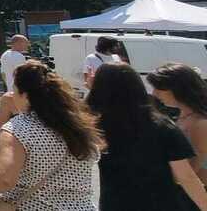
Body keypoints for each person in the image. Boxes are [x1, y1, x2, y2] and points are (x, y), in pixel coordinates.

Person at [0, 61, 99, 209]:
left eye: (15, 91)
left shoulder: (18, 128)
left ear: (25, 95)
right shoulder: (78, 125)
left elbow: (4, 177)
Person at [87, 64, 207, 210]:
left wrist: (94, 89)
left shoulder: (96, 128)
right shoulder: (162, 127)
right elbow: (186, 176)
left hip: (114, 204)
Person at [148, 63, 207, 184]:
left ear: (177, 88)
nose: (154, 93)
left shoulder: (200, 124)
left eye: (159, 88)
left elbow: (189, 172)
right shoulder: (184, 117)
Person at [0, 35, 30, 129]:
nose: (27, 45)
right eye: (25, 43)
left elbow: (3, 73)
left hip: (11, 89)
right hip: (20, 89)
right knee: (22, 115)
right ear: (18, 43)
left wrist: (9, 84)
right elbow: (23, 74)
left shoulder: (5, 55)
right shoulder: (19, 57)